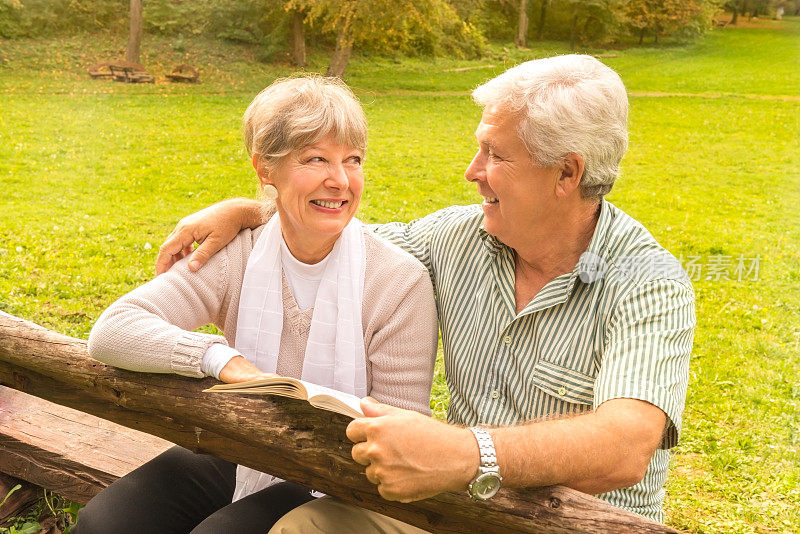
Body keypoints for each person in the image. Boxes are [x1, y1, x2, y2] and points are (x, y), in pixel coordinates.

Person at [156, 55, 695, 529]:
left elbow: (626, 446)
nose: (471, 172)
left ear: (566, 173)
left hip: (578, 526)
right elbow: (333, 234)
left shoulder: (648, 282)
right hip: (458, 510)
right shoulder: (458, 238)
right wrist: (253, 208)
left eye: (495, 154)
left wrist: (467, 453)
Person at [74, 75, 438, 534]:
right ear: (266, 170)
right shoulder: (237, 254)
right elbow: (115, 328)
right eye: (316, 159)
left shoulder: (398, 281)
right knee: (105, 523)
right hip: (245, 440)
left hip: (341, 472)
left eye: (353, 160)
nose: (341, 180)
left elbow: (403, 431)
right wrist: (223, 360)